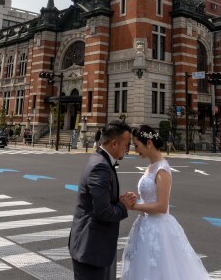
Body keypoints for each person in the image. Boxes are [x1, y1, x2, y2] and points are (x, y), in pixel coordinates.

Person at [121, 124, 208, 280]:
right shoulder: (151, 166)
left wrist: (134, 206)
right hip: (146, 225)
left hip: (159, 227)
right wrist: (135, 199)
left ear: (148, 143)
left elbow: (162, 206)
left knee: (159, 271)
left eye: (137, 145)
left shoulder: (162, 169)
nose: (135, 150)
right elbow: (150, 197)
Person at [69, 120, 137, 280]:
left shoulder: (100, 160)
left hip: (91, 247)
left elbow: (100, 201)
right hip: (91, 249)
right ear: (114, 143)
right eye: (126, 144)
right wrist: (123, 206)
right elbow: (102, 211)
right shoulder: (101, 167)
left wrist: (116, 201)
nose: (127, 149)